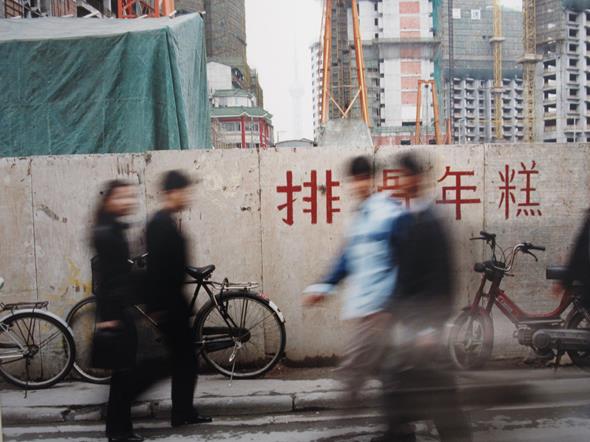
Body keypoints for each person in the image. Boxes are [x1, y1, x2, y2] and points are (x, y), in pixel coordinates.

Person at [377, 152, 472, 442]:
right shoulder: (409, 219)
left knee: (435, 390)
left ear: (417, 178)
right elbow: (405, 274)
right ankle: (399, 433)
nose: (399, 183)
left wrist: (432, 327)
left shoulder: (431, 221)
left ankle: (407, 434)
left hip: (426, 323)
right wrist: (390, 310)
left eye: (403, 176)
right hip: (411, 320)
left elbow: (443, 277)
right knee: (399, 380)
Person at [302, 155, 408, 400]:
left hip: (380, 310)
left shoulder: (389, 213)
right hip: (364, 309)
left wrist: (392, 304)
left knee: (352, 371)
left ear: (372, 180)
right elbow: (347, 258)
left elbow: (404, 260)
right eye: (354, 180)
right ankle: (405, 416)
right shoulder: (359, 217)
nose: (358, 185)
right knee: (385, 369)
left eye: (363, 179)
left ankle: (344, 420)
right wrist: (324, 286)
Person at [145, 170, 211, 427]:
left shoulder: (166, 221)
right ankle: (182, 412)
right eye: (183, 192)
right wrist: (158, 307)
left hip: (174, 305)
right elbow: (156, 270)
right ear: (170, 193)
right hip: (169, 306)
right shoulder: (159, 224)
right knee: (183, 361)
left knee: (184, 361)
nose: (186, 196)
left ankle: (183, 412)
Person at [91, 180, 145, 442]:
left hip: (120, 310)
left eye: (130, 197)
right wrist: (109, 317)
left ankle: (120, 429)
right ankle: (119, 431)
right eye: (122, 197)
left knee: (123, 375)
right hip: (116, 313)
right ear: (110, 200)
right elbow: (107, 280)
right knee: (123, 376)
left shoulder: (111, 228)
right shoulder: (106, 233)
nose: (128, 202)